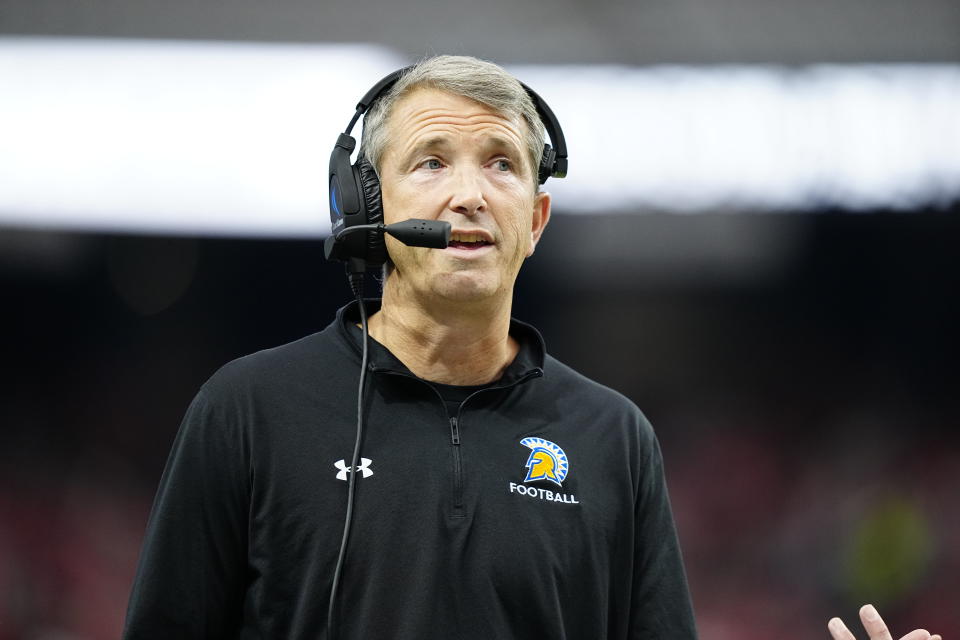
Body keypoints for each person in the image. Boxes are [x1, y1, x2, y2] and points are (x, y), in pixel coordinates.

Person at [122, 56, 936, 640]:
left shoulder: (613, 438)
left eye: (502, 164)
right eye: (431, 161)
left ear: (535, 220)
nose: (469, 193)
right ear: (367, 207)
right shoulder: (247, 410)